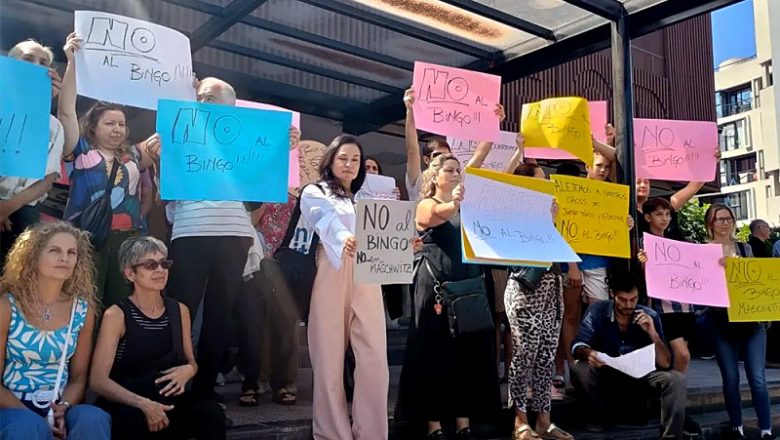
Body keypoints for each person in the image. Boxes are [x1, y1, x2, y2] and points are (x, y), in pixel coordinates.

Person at [145, 76, 301, 403]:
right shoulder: (179, 133)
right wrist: (159, 160)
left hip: (234, 236)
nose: (203, 103)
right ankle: (171, 390)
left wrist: (279, 148)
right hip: (189, 232)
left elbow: (259, 192)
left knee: (219, 314)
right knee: (179, 311)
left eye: (211, 98)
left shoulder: (244, 141)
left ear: (231, 106)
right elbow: (165, 198)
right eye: (200, 97)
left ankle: (203, 394)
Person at [395, 153, 500, 440]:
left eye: (458, 171)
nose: (455, 174)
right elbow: (430, 217)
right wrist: (454, 204)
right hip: (436, 290)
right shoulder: (429, 203)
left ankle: (463, 421)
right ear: (436, 176)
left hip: (467, 289)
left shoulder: (470, 208)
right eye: (449, 170)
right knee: (434, 355)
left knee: (466, 356)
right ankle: (433, 424)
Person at [89, 236, 225, 440]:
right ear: (130, 273)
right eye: (150, 265)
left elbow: (190, 361)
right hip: (129, 400)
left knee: (210, 413)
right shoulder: (116, 315)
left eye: (164, 263)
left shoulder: (180, 310)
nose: (160, 270)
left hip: (168, 399)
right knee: (132, 420)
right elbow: (98, 381)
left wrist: (190, 369)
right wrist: (144, 404)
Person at [483, 135, 573, 440]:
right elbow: (500, 187)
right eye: (540, 182)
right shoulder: (512, 212)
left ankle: (544, 420)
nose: (546, 187)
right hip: (525, 285)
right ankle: (519, 420)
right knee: (524, 353)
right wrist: (519, 153)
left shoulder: (553, 210)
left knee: (547, 354)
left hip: (553, 284)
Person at [58, 33, 157, 307]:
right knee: (85, 305)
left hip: (130, 241)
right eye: (110, 123)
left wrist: (189, 96)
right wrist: (72, 63)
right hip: (86, 240)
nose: (117, 129)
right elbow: (66, 112)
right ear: (93, 126)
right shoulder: (79, 150)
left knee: (121, 307)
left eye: (122, 124)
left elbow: (174, 129)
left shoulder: (134, 154)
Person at [300, 135, 389, 440]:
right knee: (328, 357)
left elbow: (386, 231)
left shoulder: (368, 195)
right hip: (332, 266)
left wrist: (405, 245)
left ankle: (373, 433)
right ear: (331, 160)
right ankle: (332, 434)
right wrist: (342, 238)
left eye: (355, 160)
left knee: (375, 357)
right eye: (343, 158)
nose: (349, 165)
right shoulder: (316, 190)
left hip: (368, 269)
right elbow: (322, 218)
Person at [0, 221, 110, 440]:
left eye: (72, 253)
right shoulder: (7, 306)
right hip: (12, 406)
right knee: (28, 428)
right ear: (33, 256)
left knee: (93, 418)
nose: (65, 258)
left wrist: (62, 408)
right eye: (55, 251)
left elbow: (79, 377)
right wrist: (39, 420)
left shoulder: (82, 309)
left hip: (59, 403)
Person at [571, 270, 686, 439]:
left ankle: (671, 436)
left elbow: (664, 362)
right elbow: (577, 345)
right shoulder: (597, 310)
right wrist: (589, 353)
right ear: (612, 294)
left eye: (633, 300)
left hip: (639, 378)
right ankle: (597, 418)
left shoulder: (649, 315)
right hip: (606, 375)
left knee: (676, 379)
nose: (628, 306)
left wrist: (652, 333)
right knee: (579, 368)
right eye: (622, 300)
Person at [705, 204, 774, 440]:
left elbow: (756, 281)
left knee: (757, 376)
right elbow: (699, 286)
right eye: (719, 219)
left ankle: (766, 429)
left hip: (750, 318)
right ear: (710, 223)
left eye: (728, 218)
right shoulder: (702, 251)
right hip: (721, 320)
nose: (725, 223)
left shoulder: (745, 248)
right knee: (731, 377)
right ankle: (737, 427)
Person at [1, 40, 68, 263]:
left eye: (44, 63)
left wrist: (8, 207)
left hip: (24, 214)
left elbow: (48, 179)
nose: (37, 66)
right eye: (28, 60)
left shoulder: (53, 126)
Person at [402, 88, 453, 201]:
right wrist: (410, 110)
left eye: (448, 156)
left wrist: (493, 124)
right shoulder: (419, 180)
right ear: (426, 159)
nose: (443, 159)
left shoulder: (455, 182)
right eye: (438, 155)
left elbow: (478, 158)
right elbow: (412, 151)